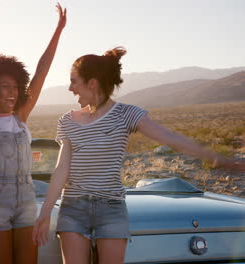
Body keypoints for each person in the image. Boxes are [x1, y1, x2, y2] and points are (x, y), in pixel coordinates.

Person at [32, 47, 245, 264]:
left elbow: (168, 137)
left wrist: (214, 156)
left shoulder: (127, 114)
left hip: (111, 206)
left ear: (92, 83)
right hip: (73, 206)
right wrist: (46, 212)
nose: (70, 88)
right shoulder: (67, 121)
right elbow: (61, 168)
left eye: (74, 81)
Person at [0, 0, 66, 263]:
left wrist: (58, 31)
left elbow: (42, 72)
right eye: (4, 87)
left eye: (14, 88)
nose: (11, 93)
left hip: (26, 200)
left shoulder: (21, 117)